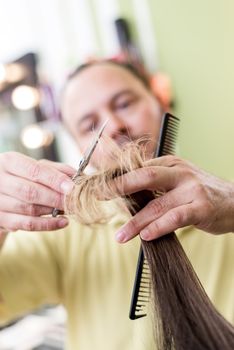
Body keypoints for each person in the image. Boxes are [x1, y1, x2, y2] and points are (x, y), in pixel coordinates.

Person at [0, 59, 233, 349]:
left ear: (162, 104)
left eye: (124, 104)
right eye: (90, 125)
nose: (114, 127)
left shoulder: (227, 213)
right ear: (79, 149)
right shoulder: (60, 235)